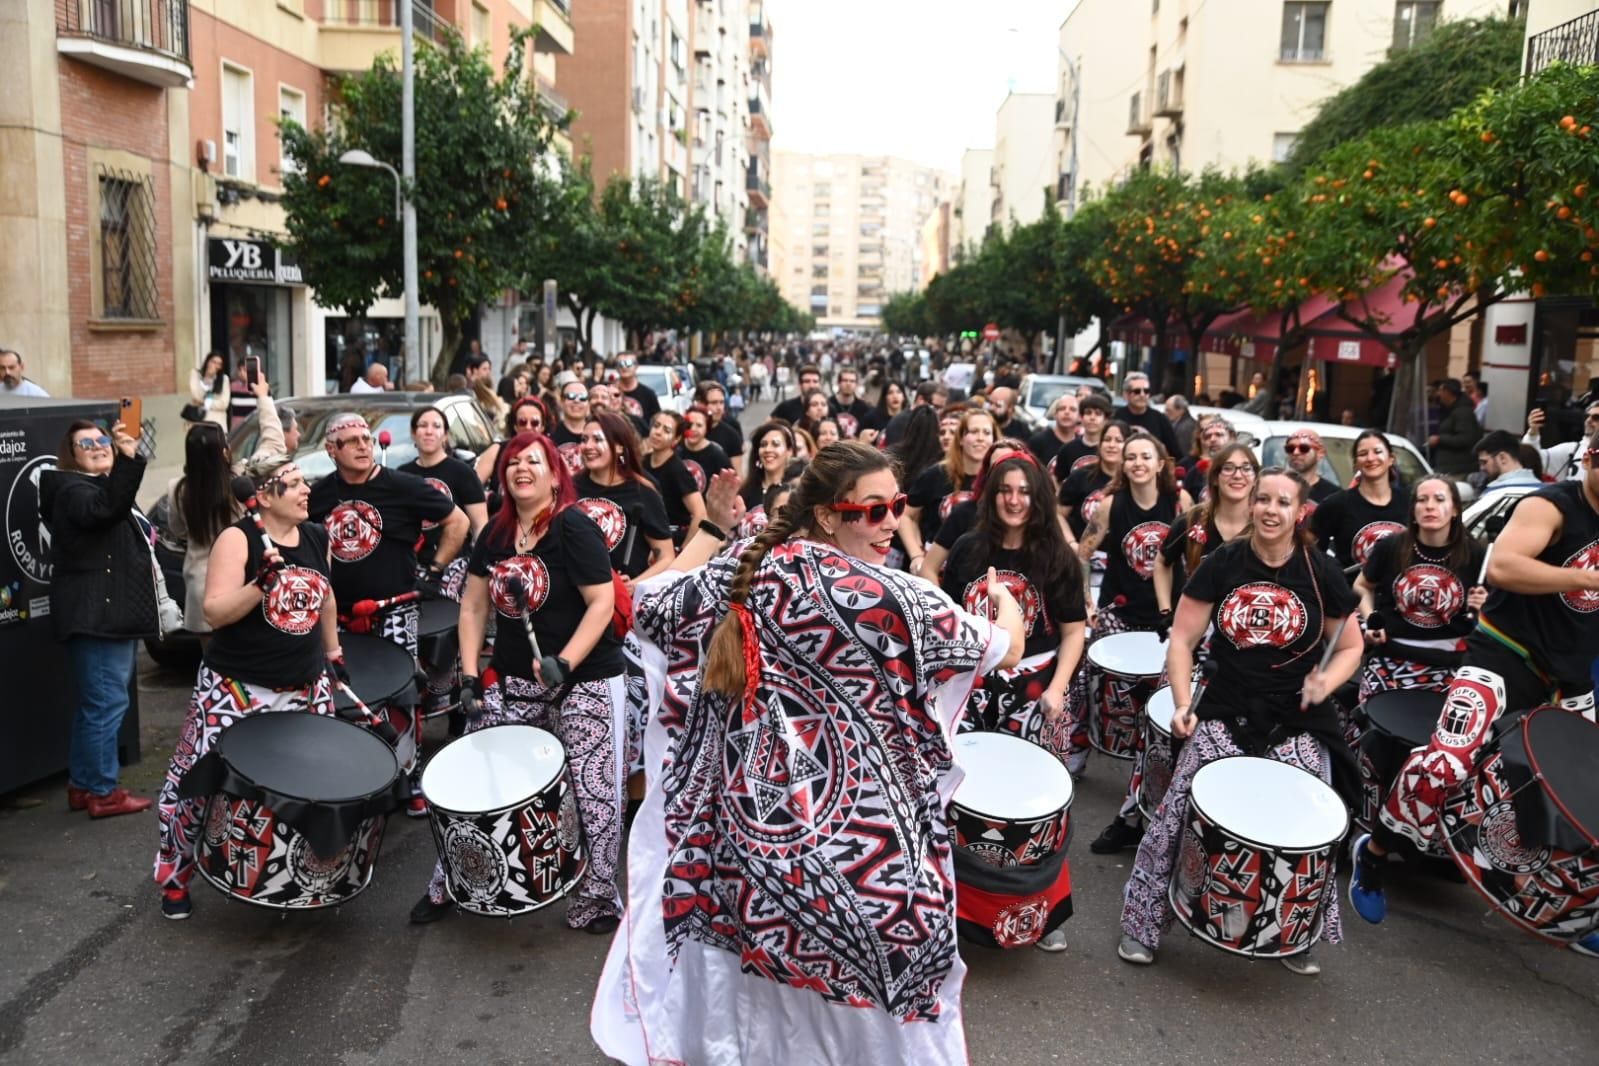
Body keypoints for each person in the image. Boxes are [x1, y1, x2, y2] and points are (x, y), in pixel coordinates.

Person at [591, 446, 1024, 1066]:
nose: (889, 524)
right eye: (872, 511)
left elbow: (640, 603)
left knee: (755, 1002)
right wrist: (1003, 602)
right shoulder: (897, 597)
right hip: (868, 869)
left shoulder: (741, 569)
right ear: (825, 515)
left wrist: (711, 530)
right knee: (870, 1022)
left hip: (745, 858)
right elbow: (1004, 651)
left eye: (896, 508)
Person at [1349, 435, 1599, 952]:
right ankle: (1373, 856)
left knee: (1591, 797)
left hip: (1568, 679)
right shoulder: (1551, 505)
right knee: (1446, 763)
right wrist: (1587, 577)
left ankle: (1573, 916)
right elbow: (1505, 565)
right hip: (1504, 657)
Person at [1118, 467, 1363, 974]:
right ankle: (1142, 926)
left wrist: (1327, 681)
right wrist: (1184, 703)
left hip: (1298, 713)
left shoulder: (1322, 571)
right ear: (1251, 505)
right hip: (1228, 704)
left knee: (1308, 824)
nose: (1271, 510)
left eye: (1283, 502)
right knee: (1178, 814)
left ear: (1300, 512)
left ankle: (1293, 935)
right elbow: (1183, 642)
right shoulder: (1222, 563)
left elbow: (1352, 645)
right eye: (1263, 499)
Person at [410, 431, 628, 931]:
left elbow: (601, 603)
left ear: (555, 475)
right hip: (514, 679)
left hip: (587, 679)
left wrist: (567, 661)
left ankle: (597, 897)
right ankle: (450, 884)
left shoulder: (574, 527)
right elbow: (472, 605)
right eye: (512, 462)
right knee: (476, 778)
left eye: (533, 461)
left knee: (594, 790)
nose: (520, 468)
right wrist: (468, 674)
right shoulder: (496, 534)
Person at [152, 454, 339, 919]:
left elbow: (326, 596)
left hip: (305, 684)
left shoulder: (316, 536)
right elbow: (213, 612)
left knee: (312, 787)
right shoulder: (237, 540)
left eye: (303, 481)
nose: (305, 490)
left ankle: (291, 877)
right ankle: (174, 874)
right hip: (236, 688)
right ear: (264, 496)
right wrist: (261, 584)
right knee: (197, 784)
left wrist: (334, 654)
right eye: (293, 483)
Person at [308, 413, 468, 815]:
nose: (363, 446)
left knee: (401, 691)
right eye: (351, 441)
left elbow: (458, 520)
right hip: (338, 615)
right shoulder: (319, 495)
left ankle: (409, 776)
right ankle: (357, 777)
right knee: (346, 694)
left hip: (395, 608)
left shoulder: (403, 487)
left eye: (366, 438)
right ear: (332, 450)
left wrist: (434, 569)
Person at [941, 452, 1086, 829]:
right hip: (972, 685)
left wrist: (1056, 689)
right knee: (967, 794)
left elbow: (1073, 632)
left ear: (1037, 497)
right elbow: (951, 622)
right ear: (991, 496)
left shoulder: (1057, 557)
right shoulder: (966, 548)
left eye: (1024, 491)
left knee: (1029, 798)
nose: (1014, 499)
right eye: (1004, 490)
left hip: (1035, 691)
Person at [40, 418, 160, 818]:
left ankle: (83, 785)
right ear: (71, 456)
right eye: (85, 443)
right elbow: (107, 509)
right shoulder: (74, 489)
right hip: (97, 616)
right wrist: (126, 459)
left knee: (98, 705)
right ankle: (102, 791)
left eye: (102, 439)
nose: (97, 445)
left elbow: (113, 506)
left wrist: (122, 464)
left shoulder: (90, 487)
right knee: (106, 705)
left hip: (106, 614)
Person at [1074, 431, 1192, 830]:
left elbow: (1192, 561)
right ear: (1123, 466)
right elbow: (1082, 553)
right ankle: (1078, 750)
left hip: (1165, 614)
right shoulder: (1112, 505)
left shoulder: (1181, 503)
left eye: (1146, 456)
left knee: (1162, 699)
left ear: (1161, 464)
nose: (1138, 463)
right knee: (1089, 681)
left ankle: (1154, 775)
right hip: (1118, 611)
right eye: (1131, 457)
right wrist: (1085, 599)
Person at [168, 378, 288, 634]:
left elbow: (178, 531)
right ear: (224, 452)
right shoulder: (240, 479)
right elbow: (275, 445)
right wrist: (264, 397)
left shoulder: (177, 488)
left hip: (201, 588)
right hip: (241, 583)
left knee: (212, 663)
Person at [1353, 476, 1485, 702]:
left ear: (1454, 510)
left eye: (1439, 499)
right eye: (1422, 500)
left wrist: (1482, 607)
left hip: (1451, 664)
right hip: (1391, 657)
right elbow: (1361, 586)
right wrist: (1371, 619)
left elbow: (1494, 614)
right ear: (1413, 510)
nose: (1430, 506)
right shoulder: (1391, 546)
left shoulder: (1476, 553)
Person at [401, 406, 489, 715]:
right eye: (422, 425)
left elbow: (480, 525)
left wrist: (482, 565)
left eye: (435, 426)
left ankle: (449, 697)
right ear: (413, 433)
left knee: (446, 625)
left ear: (445, 435)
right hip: (412, 564)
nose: (428, 431)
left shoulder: (461, 474)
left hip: (455, 564)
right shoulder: (402, 475)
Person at [574, 411, 676, 583]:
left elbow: (666, 557)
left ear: (620, 446)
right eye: (584, 440)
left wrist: (634, 585)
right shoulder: (570, 486)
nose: (588, 446)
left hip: (624, 602)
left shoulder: (643, 491)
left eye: (598, 439)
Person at [904, 408, 996, 576]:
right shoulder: (936, 475)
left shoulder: (999, 480)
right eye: (974, 432)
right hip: (934, 572)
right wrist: (916, 555)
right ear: (961, 438)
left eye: (987, 432)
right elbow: (905, 515)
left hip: (980, 571)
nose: (980, 438)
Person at [1312, 430, 1409, 571]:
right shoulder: (1335, 505)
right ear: (1356, 463)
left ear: (1391, 459)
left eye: (1377, 451)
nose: (1370, 458)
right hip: (1349, 589)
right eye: (1363, 454)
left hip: (1399, 590)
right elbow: (1314, 558)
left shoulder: (1410, 502)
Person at [1057, 421, 1127, 548]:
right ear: (1099, 444)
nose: (1112, 445)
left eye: (1118, 440)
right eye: (1107, 439)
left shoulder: (1133, 481)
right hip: (1079, 553)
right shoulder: (1080, 476)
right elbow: (1058, 515)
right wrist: (1071, 543)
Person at [642, 411, 705, 546]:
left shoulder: (677, 470)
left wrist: (683, 550)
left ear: (676, 439)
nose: (658, 432)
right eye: (656, 425)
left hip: (672, 538)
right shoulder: (643, 461)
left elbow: (699, 513)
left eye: (667, 430)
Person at [1523, 402, 1599, 481]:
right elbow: (1534, 459)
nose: (1588, 420)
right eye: (1586, 416)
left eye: (1596, 417)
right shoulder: (1572, 450)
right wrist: (1533, 432)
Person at [1115, 373, 1181, 459]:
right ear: (1126, 395)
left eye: (1146, 391)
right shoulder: (1118, 417)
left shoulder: (1160, 419)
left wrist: (1148, 436)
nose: (1142, 395)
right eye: (1137, 391)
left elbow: (1175, 453)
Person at [739, 420, 797, 510]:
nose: (768, 449)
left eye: (776, 444)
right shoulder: (745, 493)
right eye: (763, 445)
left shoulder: (798, 490)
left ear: (789, 451)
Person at [1427, 378, 1479, 476]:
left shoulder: (1463, 412)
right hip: (1448, 466)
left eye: (1440, 391)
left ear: (1448, 392)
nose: (1438, 394)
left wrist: (1439, 439)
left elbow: (1465, 438)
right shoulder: (1448, 410)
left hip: (1458, 468)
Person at [1179, 415, 1235, 501]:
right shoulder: (1195, 472)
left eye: (1218, 434)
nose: (1212, 439)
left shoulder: (1246, 469)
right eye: (1208, 437)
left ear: (1231, 437)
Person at [1475, 429, 1542, 496]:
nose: (1482, 468)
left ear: (1502, 458)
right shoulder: (1544, 491)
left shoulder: (1494, 494)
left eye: (1484, 462)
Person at [1282, 427, 1339, 505]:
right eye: (1290, 448)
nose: (1295, 452)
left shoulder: (1334, 495)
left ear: (1320, 453)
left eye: (1304, 448)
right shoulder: (1275, 486)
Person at [1027, 393, 1081, 467]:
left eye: (1072, 409)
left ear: (1079, 417)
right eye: (1062, 408)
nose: (1067, 412)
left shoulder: (1082, 445)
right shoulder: (1038, 442)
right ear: (1055, 414)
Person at [613, 353, 662, 426]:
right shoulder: (608, 392)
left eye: (629, 363)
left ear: (636, 366)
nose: (624, 367)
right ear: (616, 367)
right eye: (621, 364)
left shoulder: (649, 395)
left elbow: (656, 423)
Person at [830, 366, 877, 436]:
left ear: (856, 385)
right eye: (845, 380)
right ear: (838, 383)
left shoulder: (864, 408)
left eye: (852, 381)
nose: (848, 384)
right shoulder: (828, 405)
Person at [189, 352, 231, 428]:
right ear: (208, 361)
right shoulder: (195, 374)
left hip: (216, 424)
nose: (216, 366)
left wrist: (204, 402)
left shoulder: (224, 379)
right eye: (213, 362)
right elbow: (196, 395)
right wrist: (208, 377)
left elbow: (224, 404)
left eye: (219, 364)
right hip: (199, 423)